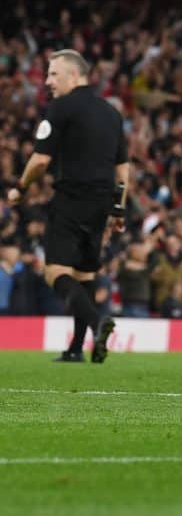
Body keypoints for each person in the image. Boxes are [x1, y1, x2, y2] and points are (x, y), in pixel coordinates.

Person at [6, 50, 128, 363]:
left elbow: (41, 159)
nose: (48, 81)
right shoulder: (112, 113)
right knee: (84, 275)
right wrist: (119, 209)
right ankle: (76, 348)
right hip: (101, 203)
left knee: (55, 272)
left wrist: (20, 187)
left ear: (74, 76)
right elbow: (122, 168)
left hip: (71, 198)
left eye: (53, 74)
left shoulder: (61, 108)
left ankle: (98, 324)